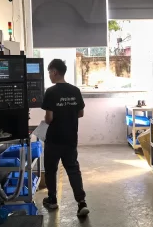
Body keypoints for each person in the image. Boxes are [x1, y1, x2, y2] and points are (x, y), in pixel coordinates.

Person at [41, 59, 89, 217]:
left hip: (54, 139)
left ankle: (52, 200)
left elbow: (49, 118)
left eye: (49, 73)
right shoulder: (75, 90)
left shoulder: (51, 92)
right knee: (73, 169)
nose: (49, 76)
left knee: (50, 170)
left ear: (55, 72)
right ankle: (81, 203)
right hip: (70, 138)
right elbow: (81, 113)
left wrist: (48, 120)